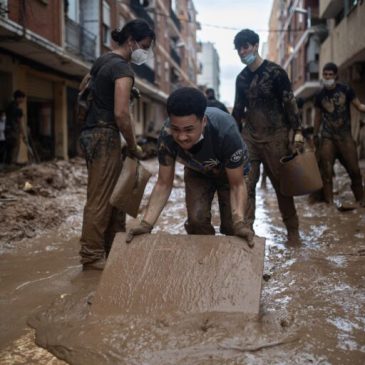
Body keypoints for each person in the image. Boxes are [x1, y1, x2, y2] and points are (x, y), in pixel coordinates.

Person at [126, 87, 254, 247]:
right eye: (176, 129)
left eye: (189, 130)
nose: (181, 137)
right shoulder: (166, 136)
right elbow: (163, 183)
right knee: (196, 220)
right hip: (198, 172)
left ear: (204, 122)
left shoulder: (226, 131)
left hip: (231, 174)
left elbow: (237, 184)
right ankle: (204, 261)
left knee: (233, 227)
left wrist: (240, 223)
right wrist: (146, 224)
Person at [79, 19, 155, 270]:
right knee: (101, 198)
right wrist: (133, 146)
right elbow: (122, 114)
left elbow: (86, 89)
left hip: (91, 133)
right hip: (105, 135)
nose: (145, 52)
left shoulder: (102, 61)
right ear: (131, 41)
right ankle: (91, 256)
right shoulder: (123, 68)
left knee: (113, 196)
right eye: (144, 46)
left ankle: (113, 248)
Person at [231, 29, 303, 245]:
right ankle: (247, 234)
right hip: (250, 139)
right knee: (246, 184)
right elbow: (237, 110)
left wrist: (297, 131)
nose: (243, 52)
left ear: (255, 45)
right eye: (239, 49)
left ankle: (293, 233)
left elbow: (289, 102)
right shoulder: (241, 78)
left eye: (246, 47)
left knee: (283, 187)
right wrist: (234, 138)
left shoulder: (276, 72)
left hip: (276, 137)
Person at [313, 62, 365, 206]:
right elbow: (317, 117)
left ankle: (361, 200)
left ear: (336, 76)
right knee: (327, 173)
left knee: (354, 170)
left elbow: (359, 106)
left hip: (345, 136)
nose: (327, 77)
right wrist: (315, 135)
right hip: (327, 137)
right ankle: (329, 203)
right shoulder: (319, 95)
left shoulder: (346, 90)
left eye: (330, 74)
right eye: (325, 74)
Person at [5, 90, 26, 164]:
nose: (23, 100)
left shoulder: (9, 106)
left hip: (7, 132)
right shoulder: (17, 109)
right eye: (22, 98)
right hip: (14, 132)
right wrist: (23, 134)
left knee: (9, 150)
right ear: (18, 98)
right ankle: (12, 166)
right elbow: (19, 122)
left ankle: (9, 164)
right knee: (15, 149)